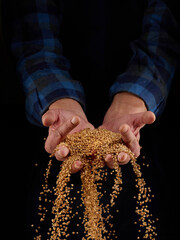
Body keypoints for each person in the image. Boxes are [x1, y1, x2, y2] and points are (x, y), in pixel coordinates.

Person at [8, 0, 180, 239]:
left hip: (140, 134)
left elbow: (164, 34)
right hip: (55, 131)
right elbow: (34, 39)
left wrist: (133, 98)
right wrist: (59, 100)